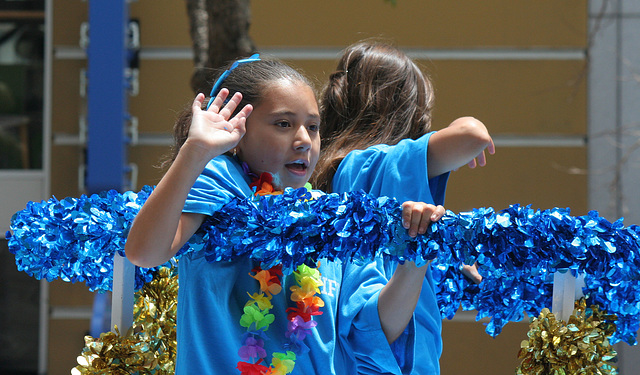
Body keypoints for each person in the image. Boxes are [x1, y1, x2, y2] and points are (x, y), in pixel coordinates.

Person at [125, 55, 446, 374]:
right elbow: (144, 252)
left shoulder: (337, 216)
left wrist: (414, 260)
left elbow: (371, 332)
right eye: (283, 124)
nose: (304, 140)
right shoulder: (223, 182)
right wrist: (196, 151)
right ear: (237, 130)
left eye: (313, 127)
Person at [312, 40, 495, 374]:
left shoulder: (328, 172)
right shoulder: (374, 164)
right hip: (394, 357)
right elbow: (473, 136)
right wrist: (464, 121)